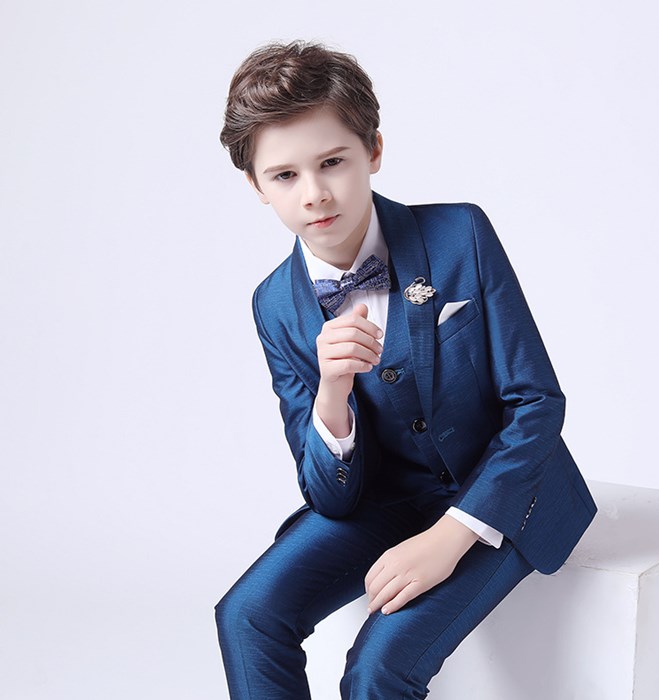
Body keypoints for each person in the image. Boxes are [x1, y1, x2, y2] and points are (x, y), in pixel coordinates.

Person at [214, 40, 597, 699]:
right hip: (379, 503)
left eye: (332, 162)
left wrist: (451, 535)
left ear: (374, 151)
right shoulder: (274, 304)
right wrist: (331, 396)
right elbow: (331, 498)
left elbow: (536, 401)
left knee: (378, 669)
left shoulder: (459, 234)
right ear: (257, 186)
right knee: (246, 616)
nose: (314, 194)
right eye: (284, 176)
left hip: (498, 493)